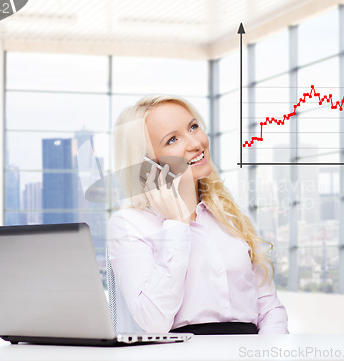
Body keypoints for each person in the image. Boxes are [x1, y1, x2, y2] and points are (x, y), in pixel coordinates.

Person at [108, 95, 289, 335]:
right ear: (148, 165)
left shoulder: (230, 215)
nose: (195, 143)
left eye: (193, 127)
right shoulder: (130, 223)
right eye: (172, 139)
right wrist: (176, 224)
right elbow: (153, 321)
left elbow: (268, 308)